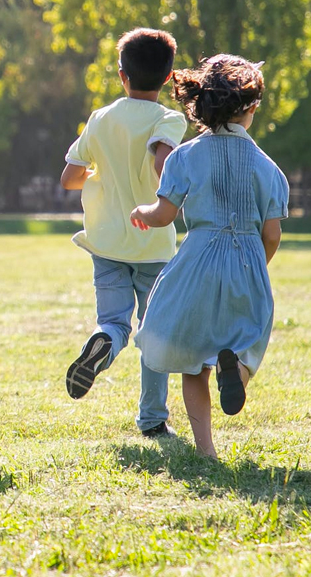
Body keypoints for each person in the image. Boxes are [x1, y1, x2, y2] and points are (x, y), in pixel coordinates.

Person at [131, 55, 288, 459]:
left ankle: (206, 451)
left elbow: (164, 215)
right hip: (248, 261)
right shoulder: (269, 169)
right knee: (248, 340)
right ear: (250, 108)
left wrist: (141, 212)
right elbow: (272, 234)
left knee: (191, 358)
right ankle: (235, 371)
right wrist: (255, 266)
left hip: (198, 260)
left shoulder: (184, 156)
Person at [59, 28, 187, 438]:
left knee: (114, 321)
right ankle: (152, 419)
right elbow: (162, 164)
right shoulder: (169, 118)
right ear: (168, 78)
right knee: (155, 332)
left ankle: (102, 342)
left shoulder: (100, 118)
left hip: (106, 241)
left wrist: (104, 175)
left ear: (121, 75)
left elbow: (69, 178)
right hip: (152, 242)